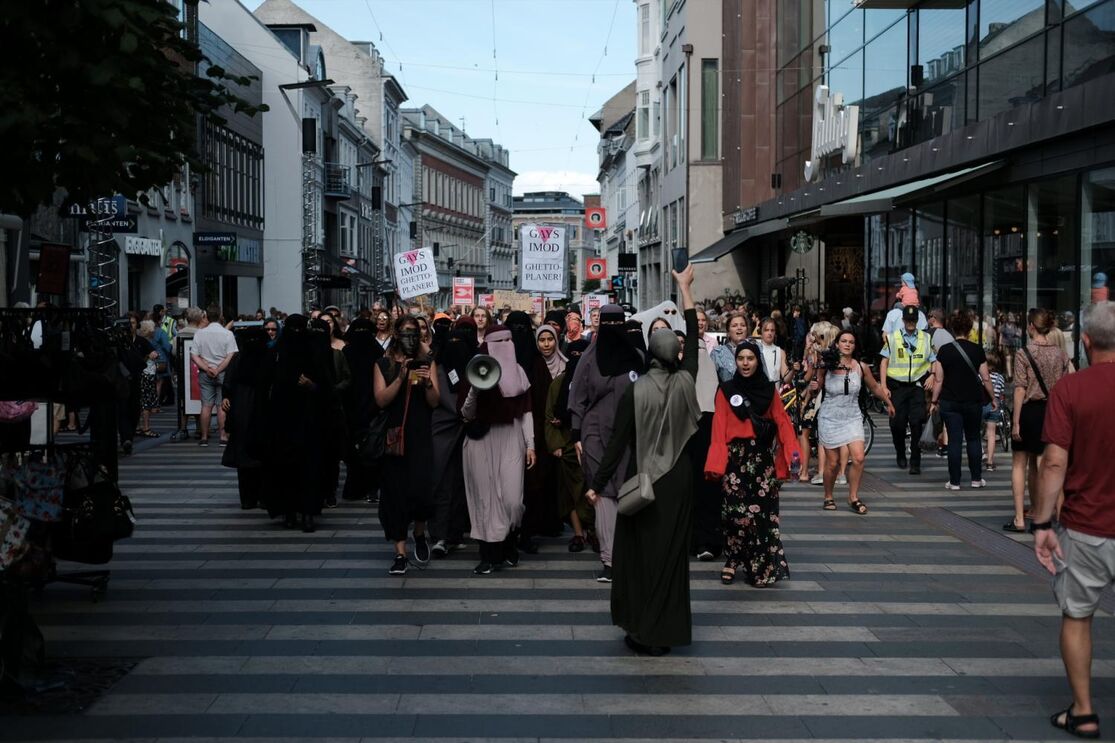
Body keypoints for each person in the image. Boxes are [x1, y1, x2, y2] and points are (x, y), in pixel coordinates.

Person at [585, 266, 701, 656]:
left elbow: (617, 444)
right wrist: (685, 291)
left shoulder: (636, 391)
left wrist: (596, 484)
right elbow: (696, 336)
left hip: (644, 481)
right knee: (671, 559)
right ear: (677, 355)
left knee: (639, 558)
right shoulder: (687, 380)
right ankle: (663, 631)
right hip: (679, 481)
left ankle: (641, 629)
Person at [1031, 301, 1115, 740]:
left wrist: (1042, 524)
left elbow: (1053, 463)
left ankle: (1083, 712)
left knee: (1078, 616)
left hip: (1086, 528)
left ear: (1085, 342)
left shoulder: (1071, 389)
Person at [705, 338, 801, 586]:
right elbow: (718, 429)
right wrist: (716, 465)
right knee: (734, 514)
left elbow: (782, 423)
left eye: (750, 358)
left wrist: (793, 455)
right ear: (735, 361)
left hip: (761, 461)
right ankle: (733, 559)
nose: (745, 363)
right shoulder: (726, 390)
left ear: (758, 361)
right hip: (735, 461)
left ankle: (761, 567)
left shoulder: (769, 391)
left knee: (762, 517)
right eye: (741, 359)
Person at [570, 302, 646, 583]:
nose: (613, 329)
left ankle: (629, 552)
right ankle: (609, 558)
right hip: (595, 434)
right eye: (607, 323)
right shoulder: (589, 358)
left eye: (617, 323)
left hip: (629, 434)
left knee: (625, 492)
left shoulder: (637, 356)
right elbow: (576, 398)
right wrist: (576, 435)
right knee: (602, 494)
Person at [459, 326, 536, 575]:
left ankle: (509, 539)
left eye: (508, 340)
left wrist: (530, 444)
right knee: (485, 499)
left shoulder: (518, 370)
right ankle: (488, 554)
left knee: (513, 499)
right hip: (481, 438)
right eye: (499, 341)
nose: (505, 345)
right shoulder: (475, 367)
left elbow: (526, 410)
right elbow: (465, 414)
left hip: (511, 436)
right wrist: (475, 388)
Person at [373, 316, 438, 575]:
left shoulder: (427, 363)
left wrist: (428, 382)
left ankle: (420, 534)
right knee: (395, 495)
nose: (410, 338)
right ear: (396, 335)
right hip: (394, 436)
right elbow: (380, 400)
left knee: (421, 491)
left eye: (415, 333)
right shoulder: (383, 363)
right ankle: (400, 552)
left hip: (420, 435)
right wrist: (400, 377)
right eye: (405, 333)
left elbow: (435, 401)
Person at [1006, 308, 1074, 533]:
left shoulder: (1024, 353)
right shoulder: (1061, 354)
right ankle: (1048, 517)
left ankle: (1019, 518)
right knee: (1045, 464)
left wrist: (1015, 422)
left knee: (1020, 464)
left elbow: (1019, 389)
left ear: (1032, 327)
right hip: (1053, 411)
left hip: (1028, 411)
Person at [266, 314, 333, 532]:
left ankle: (306, 513)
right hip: (287, 420)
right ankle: (290, 512)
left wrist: (312, 386)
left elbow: (327, 384)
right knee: (290, 468)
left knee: (307, 468)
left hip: (307, 420)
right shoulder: (279, 352)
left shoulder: (313, 351)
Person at [813, 330, 893, 514]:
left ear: (855, 346)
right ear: (837, 344)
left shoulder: (860, 367)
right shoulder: (827, 365)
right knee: (832, 464)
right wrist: (813, 387)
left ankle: (853, 497)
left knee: (858, 457)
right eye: (843, 341)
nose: (847, 344)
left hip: (852, 416)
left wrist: (888, 403)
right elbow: (816, 386)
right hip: (830, 416)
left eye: (851, 342)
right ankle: (828, 496)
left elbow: (874, 387)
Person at [929, 310, 997, 491]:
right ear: (969, 330)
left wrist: (934, 401)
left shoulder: (944, 351)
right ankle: (976, 478)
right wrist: (993, 398)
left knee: (955, 441)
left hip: (950, 401)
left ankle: (955, 481)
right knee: (974, 438)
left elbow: (939, 379)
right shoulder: (977, 350)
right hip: (973, 401)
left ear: (953, 329)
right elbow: (986, 378)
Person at [428, 317, 477, 557]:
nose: (457, 344)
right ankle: (440, 534)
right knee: (444, 483)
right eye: (453, 339)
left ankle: (455, 532)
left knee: (462, 484)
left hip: (469, 432)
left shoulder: (476, 367)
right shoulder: (437, 367)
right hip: (444, 432)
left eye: (462, 339)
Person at [545, 338, 593, 553]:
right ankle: (577, 533)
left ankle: (594, 530)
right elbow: (549, 416)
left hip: (590, 446)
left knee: (590, 490)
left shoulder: (595, 381)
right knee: (568, 494)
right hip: (565, 447)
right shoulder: (558, 383)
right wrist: (555, 444)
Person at [220, 326, 275, 510]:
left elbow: (228, 383)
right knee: (263, 457)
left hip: (241, 411)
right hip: (262, 411)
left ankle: (247, 498)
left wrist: (227, 399)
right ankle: (263, 496)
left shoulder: (239, 359)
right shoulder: (268, 357)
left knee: (244, 457)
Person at [879, 304, 936, 475]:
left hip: (917, 387)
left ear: (917, 321)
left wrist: (932, 375)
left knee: (917, 422)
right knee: (897, 424)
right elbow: (884, 362)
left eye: (913, 320)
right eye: (908, 320)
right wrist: (883, 386)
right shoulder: (893, 338)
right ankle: (900, 452)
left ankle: (915, 461)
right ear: (903, 320)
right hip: (897, 387)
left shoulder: (926, 338)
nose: (911, 323)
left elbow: (933, 359)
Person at [339, 318, 384, 504]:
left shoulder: (374, 351)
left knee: (367, 447)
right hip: (360, 405)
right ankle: (366, 487)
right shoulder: (374, 350)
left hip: (366, 405)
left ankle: (364, 487)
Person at [313, 317, 351, 509]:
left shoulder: (337, 354)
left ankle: (330, 492)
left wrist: (336, 389)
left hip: (333, 410)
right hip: (314, 413)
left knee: (332, 455)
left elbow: (347, 378)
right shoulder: (308, 354)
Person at [191, 307, 238, 447]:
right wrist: (218, 369)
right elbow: (231, 354)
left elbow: (194, 355)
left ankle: (204, 437)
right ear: (221, 316)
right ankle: (223, 436)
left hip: (206, 373)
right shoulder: (227, 334)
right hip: (223, 373)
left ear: (206, 317)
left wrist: (207, 368)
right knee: (221, 405)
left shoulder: (200, 334)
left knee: (206, 405)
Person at [135, 320, 162, 439]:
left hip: (139, 374)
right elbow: (154, 355)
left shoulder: (136, 341)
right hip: (147, 374)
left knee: (140, 401)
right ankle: (146, 427)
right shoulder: (145, 342)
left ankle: (138, 426)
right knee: (146, 402)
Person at [982, 350, 1007, 473]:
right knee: (991, 434)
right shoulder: (1000, 378)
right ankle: (990, 462)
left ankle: (980, 454)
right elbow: (1002, 394)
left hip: (981, 406)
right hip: (994, 407)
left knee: (976, 431)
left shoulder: (980, 376)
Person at [711, 312, 750, 382]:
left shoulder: (756, 350)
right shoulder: (717, 353)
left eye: (743, 325)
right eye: (734, 326)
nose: (739, 328)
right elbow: (711, 382)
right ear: (728, 332)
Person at [758, 317, 791, 386]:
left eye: (772, 330)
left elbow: (786, 379)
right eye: (766, 330)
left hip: (774, 394)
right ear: (761, 331)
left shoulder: (780, 352)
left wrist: (793, 370)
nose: (769, 333)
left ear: (775, 332)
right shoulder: (754, 348)